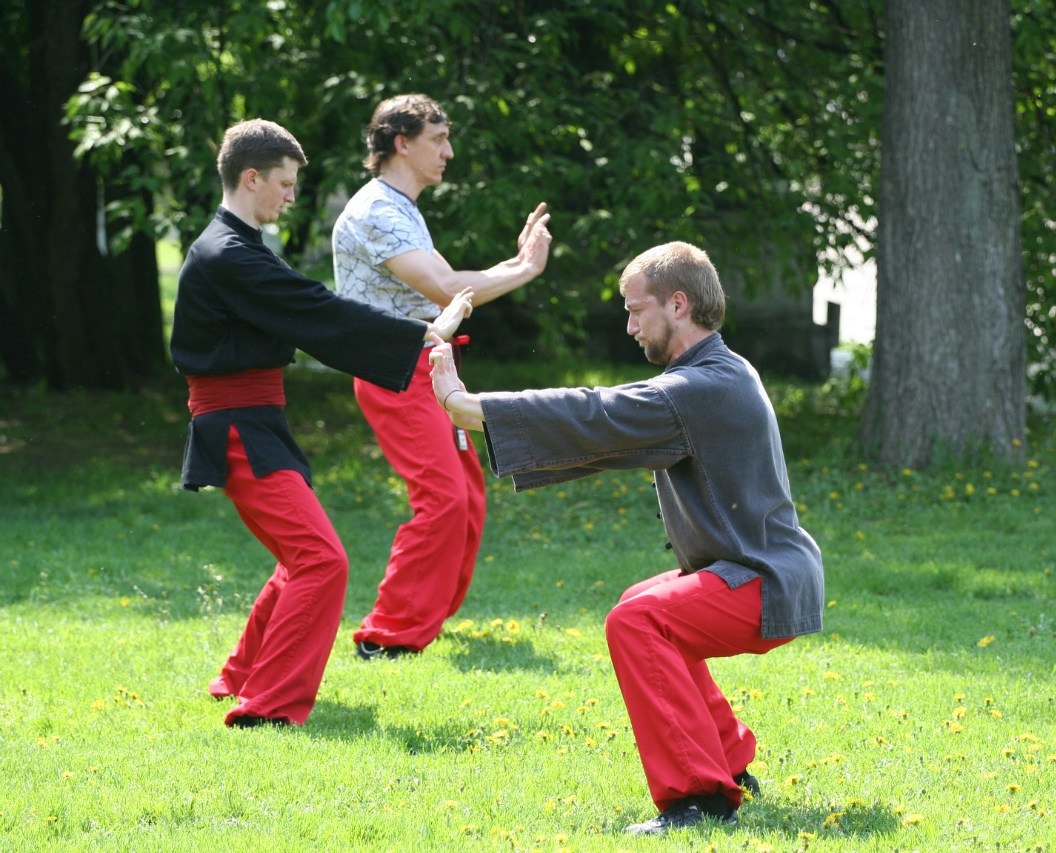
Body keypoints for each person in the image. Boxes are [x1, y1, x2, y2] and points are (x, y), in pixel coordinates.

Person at [427, 241, 825, 834]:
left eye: (638, 310)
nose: (630, 326)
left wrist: (467, 404)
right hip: (762, 572)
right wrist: (474, 411)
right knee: (640, 606)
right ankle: (731, 765)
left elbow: (596, 412)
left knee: (640, 625)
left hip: (766, 582)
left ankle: (700, 799)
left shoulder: (701, 387)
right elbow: (607, 430)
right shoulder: (716, 372)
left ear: (679, 304)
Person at [170, 118, 474, 727]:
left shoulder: (241, 246)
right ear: (250, 178)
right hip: (236, 425)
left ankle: (241, 678)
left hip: (255, 420)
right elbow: (317, 311)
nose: (291, 196)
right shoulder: (228, 254)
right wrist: (422, 334)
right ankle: (269, 708)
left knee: (301, 555)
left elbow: (309, 314)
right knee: (320, 560)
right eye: (283, 183)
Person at [332, 93, 552, 660]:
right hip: (393, 370)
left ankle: (427, 613)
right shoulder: (376, 211)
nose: (449, 152)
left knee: (467, 496)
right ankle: (387, 634)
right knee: (443, 498)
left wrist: (516, 264)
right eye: (438, 138)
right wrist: (524, 269)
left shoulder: (400, 206)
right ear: (401, 143)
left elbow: (453, 283)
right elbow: (447, 289)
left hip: (427, 365)